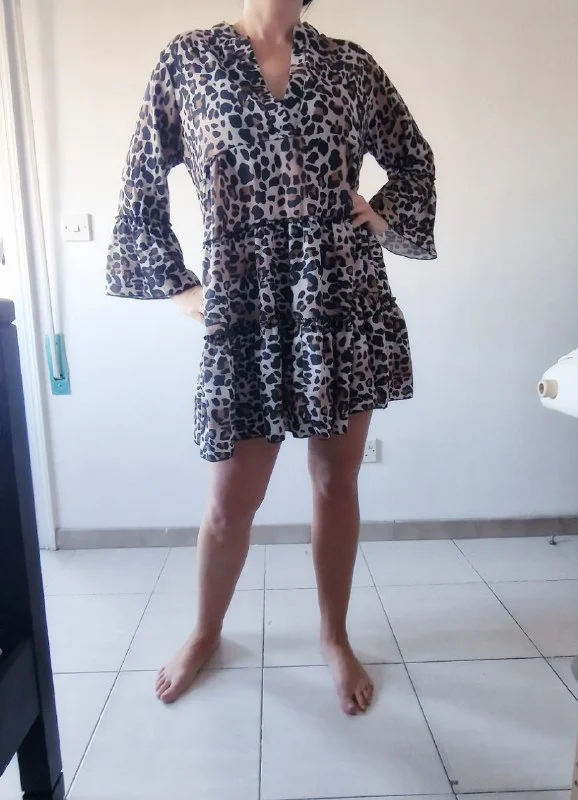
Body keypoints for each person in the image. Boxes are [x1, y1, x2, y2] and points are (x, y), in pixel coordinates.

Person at [106, 0, 436, 715]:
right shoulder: (189, 61)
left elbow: (413, 156)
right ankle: (205, 631)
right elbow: (140, 181)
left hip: (339, 298)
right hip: (245, 307)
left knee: (335, 482)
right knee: (231, 502)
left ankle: (334, 635)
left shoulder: (348, 66)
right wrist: (179, 286)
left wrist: (381, 217)